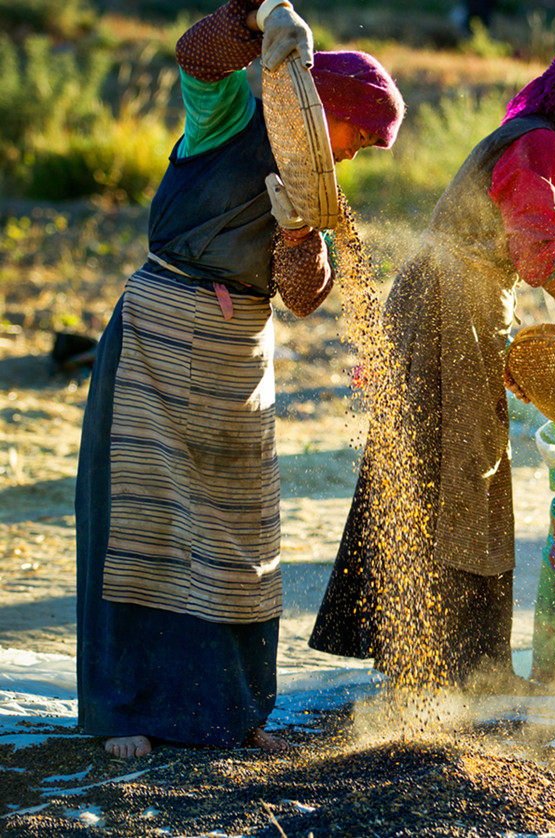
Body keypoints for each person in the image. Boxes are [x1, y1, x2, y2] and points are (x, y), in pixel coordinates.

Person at [75, 0, 403, 759]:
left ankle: (227, 711)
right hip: (158, 337)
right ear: (328, 113)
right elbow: (197, 56)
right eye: (357, 139)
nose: (354, 157)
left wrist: (298, 235)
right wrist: (257, 17)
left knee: (235, 535)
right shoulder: (230, 118)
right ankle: (127, 709)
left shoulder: (313, 180)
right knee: (144, 524)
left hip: (235, 360)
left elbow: (302, 295)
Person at [308, 51, 555, 691]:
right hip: (446, 308)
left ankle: (443, 660)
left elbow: (515, 256)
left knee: (442, 470)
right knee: (460, 473)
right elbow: (537, 250)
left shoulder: (546, 143)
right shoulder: (540, 143)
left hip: (459, 302)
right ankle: (451, 663)